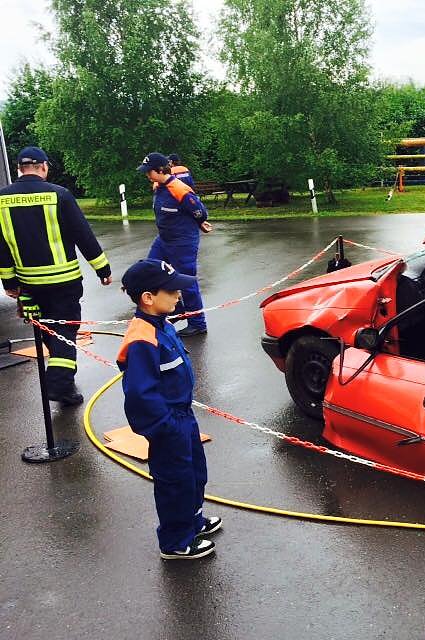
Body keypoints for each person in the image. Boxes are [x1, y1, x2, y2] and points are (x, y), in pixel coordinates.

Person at [118, 258, 221, 560]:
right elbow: (139, 394)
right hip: (167, 423)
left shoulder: (162, 324)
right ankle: (175, 541)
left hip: (183, 417)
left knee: (194, 472)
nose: (179, 295)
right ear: (148, 298)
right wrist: (164, 426)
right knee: (174, 481)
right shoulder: (142, 339)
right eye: (172, 291)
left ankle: (193, 521)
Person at [0, 146, 112, 405]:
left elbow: (1, 246)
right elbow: (83, 234)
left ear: (19, 169)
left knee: (49, 330)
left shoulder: (2, 199)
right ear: (44, 167)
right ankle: (59, 383)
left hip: (29, 284)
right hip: (64, 282)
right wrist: (102, 269)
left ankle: (64, 378)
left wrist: (9, 282)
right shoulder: (59, 194)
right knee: (66, 331)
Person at [137, 152, 212, 337]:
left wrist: (199, 222)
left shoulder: (180, 189)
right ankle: (177, 308)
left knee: (186, 281)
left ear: (160, 170)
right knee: (153, 270)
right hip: (164, 239)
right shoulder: (158, 186)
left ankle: (198, 323)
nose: (147, 175)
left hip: (183, 241)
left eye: (149, 172)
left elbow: (199, 212)